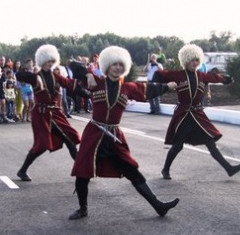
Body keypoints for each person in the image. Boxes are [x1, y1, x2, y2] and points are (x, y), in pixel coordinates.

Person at [68, 46, 179, 220]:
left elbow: (149, 90)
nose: (117, 67)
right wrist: (87, 74)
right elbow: (72, 65)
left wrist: (167, 86)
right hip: (94, 135)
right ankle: (83, 208)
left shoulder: (128, 88)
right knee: (83, 172)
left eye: (120, 64)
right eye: (114, 64)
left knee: (133, 171)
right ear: (106, 66)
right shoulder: (95, 82)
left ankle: (159, 206)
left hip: (114, 137)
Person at [154, 44, 240, 180]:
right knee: (178, 146)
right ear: (185, 60)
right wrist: (157, 74)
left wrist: (227, 79)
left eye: (197, 60)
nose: (194, 63)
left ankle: (229, 168)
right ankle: (165, 169)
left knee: (210, 143)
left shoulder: (202, 76)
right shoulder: (178, 75)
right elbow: (159, 75)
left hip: (197, 115)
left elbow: (216, 78)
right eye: (192, 60)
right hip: (183, 115)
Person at [14, 44, 82, 181]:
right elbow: (18, 74)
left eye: (51, 61)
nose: (49, 64)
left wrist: (88, 93)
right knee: (42, 145)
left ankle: (82, 170)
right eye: (46, 61)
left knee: (70, 140)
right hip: (40, 114)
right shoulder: (35, 76)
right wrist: (35, 78)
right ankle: (22, 170)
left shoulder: (56, 77)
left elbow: (71, 85)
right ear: (41, 61)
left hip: (56, 114)